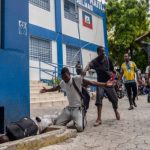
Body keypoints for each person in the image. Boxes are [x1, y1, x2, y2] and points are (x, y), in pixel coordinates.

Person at [40, 67, 114, 132]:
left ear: (69, 74)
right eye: (63, 77)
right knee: (57, 125)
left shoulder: (77, 79)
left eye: (66, 77)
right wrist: (46, 90)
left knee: (80, 128)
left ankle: (83, 119)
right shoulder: (63, 82)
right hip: (69, 109)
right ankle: (73, 119)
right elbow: (56, 88)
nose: (65, 79)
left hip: (77, 109)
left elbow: (92, 82)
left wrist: (104, 84)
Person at [83, 46, 120, 127]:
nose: (103, 53)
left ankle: (116, 110)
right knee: (99, 98)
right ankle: (99, 119)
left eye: (104, 51)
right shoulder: (95, 61)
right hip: (100, 83)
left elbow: (112, 70)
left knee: (115, 99)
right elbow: (89, 64)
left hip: (109, 82)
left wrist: (116, 77)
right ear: (98, 52)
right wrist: (84, 71)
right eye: (102, 51)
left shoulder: (108, 59)